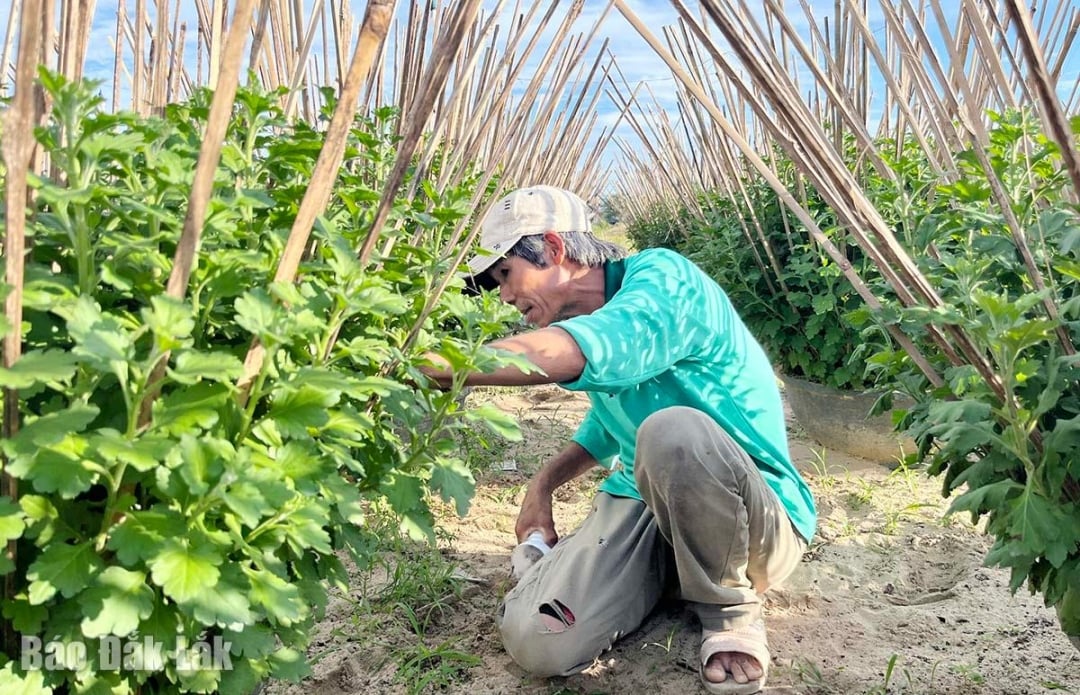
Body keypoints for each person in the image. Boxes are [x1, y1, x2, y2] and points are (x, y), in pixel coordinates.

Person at [421, 185, 816, 695]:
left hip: (752, 522)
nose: (505, 296)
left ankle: (728, 612)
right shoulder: (585, 317)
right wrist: (542, 485)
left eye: (506, 274)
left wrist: (436, 365)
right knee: (538, 638)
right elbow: (608, 423)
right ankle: (598, 571)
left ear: (555, 248)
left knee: (674, 430)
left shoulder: (665, 280)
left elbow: (585, 352)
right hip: (648, 507)